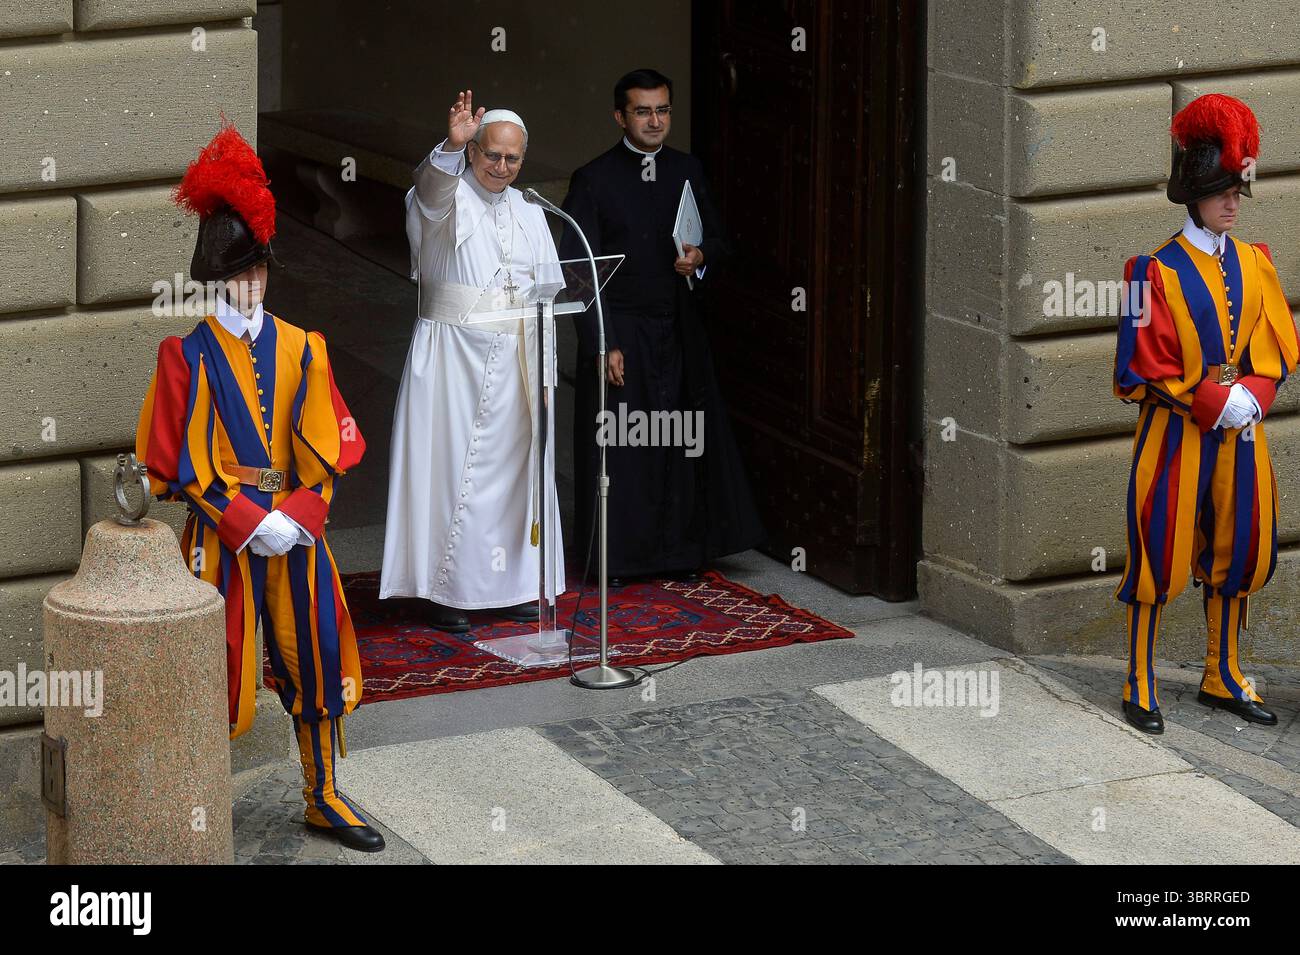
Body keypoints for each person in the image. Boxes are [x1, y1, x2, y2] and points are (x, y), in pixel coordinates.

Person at [136, 124, 383, 850]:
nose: (249, 287)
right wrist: (251, 521)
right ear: (216, 279)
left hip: (297, 531)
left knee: (315, 654)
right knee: (205, 675)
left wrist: (301, 515)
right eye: (236, 276)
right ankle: (192, 806)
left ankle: (324, 793)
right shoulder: (184, 355)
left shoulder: (306, 347)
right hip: (222, 538)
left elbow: (329, 452)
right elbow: (182, 467)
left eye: (257, 273)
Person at [1113, 93, 1298, 735]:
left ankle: (1223, 673)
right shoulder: (1148, 273)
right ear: (1194, 190)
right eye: (1221, 188)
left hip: (1242, 434)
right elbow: (1140, 365)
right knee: (1159, 547)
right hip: (1176, 435)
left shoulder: (1255, 263)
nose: (1232, 201)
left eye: (1236, 189)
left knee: (1239, 544)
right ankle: (1140, 680)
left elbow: (1273, 348)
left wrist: (1253, 395)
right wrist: (1216, 400)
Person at [560, 68, 764, 584]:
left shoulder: (686, 168)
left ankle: (679, 553)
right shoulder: (594, 178)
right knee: (625, 446)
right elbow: (578, 272)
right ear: (619, 116)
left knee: (678, 441)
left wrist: (699, 257)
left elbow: (717, 240)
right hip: (621, 334)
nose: (655, 120)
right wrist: (602, 342)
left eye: (663, 110)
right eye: (643, 111)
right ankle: (622, 560)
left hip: (677, 332)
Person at [381, 91, 565, 631]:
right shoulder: (442, 199)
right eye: (491, 155)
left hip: (515, 361)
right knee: (450, 471)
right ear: (474, 150)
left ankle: (506, 586)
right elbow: (429, 187)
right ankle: (446, 590)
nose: (501, 168)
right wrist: (449, 145)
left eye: (512, 159)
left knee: (511, 476)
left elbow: (551, 288)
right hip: (452, 360)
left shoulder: (530, 211)